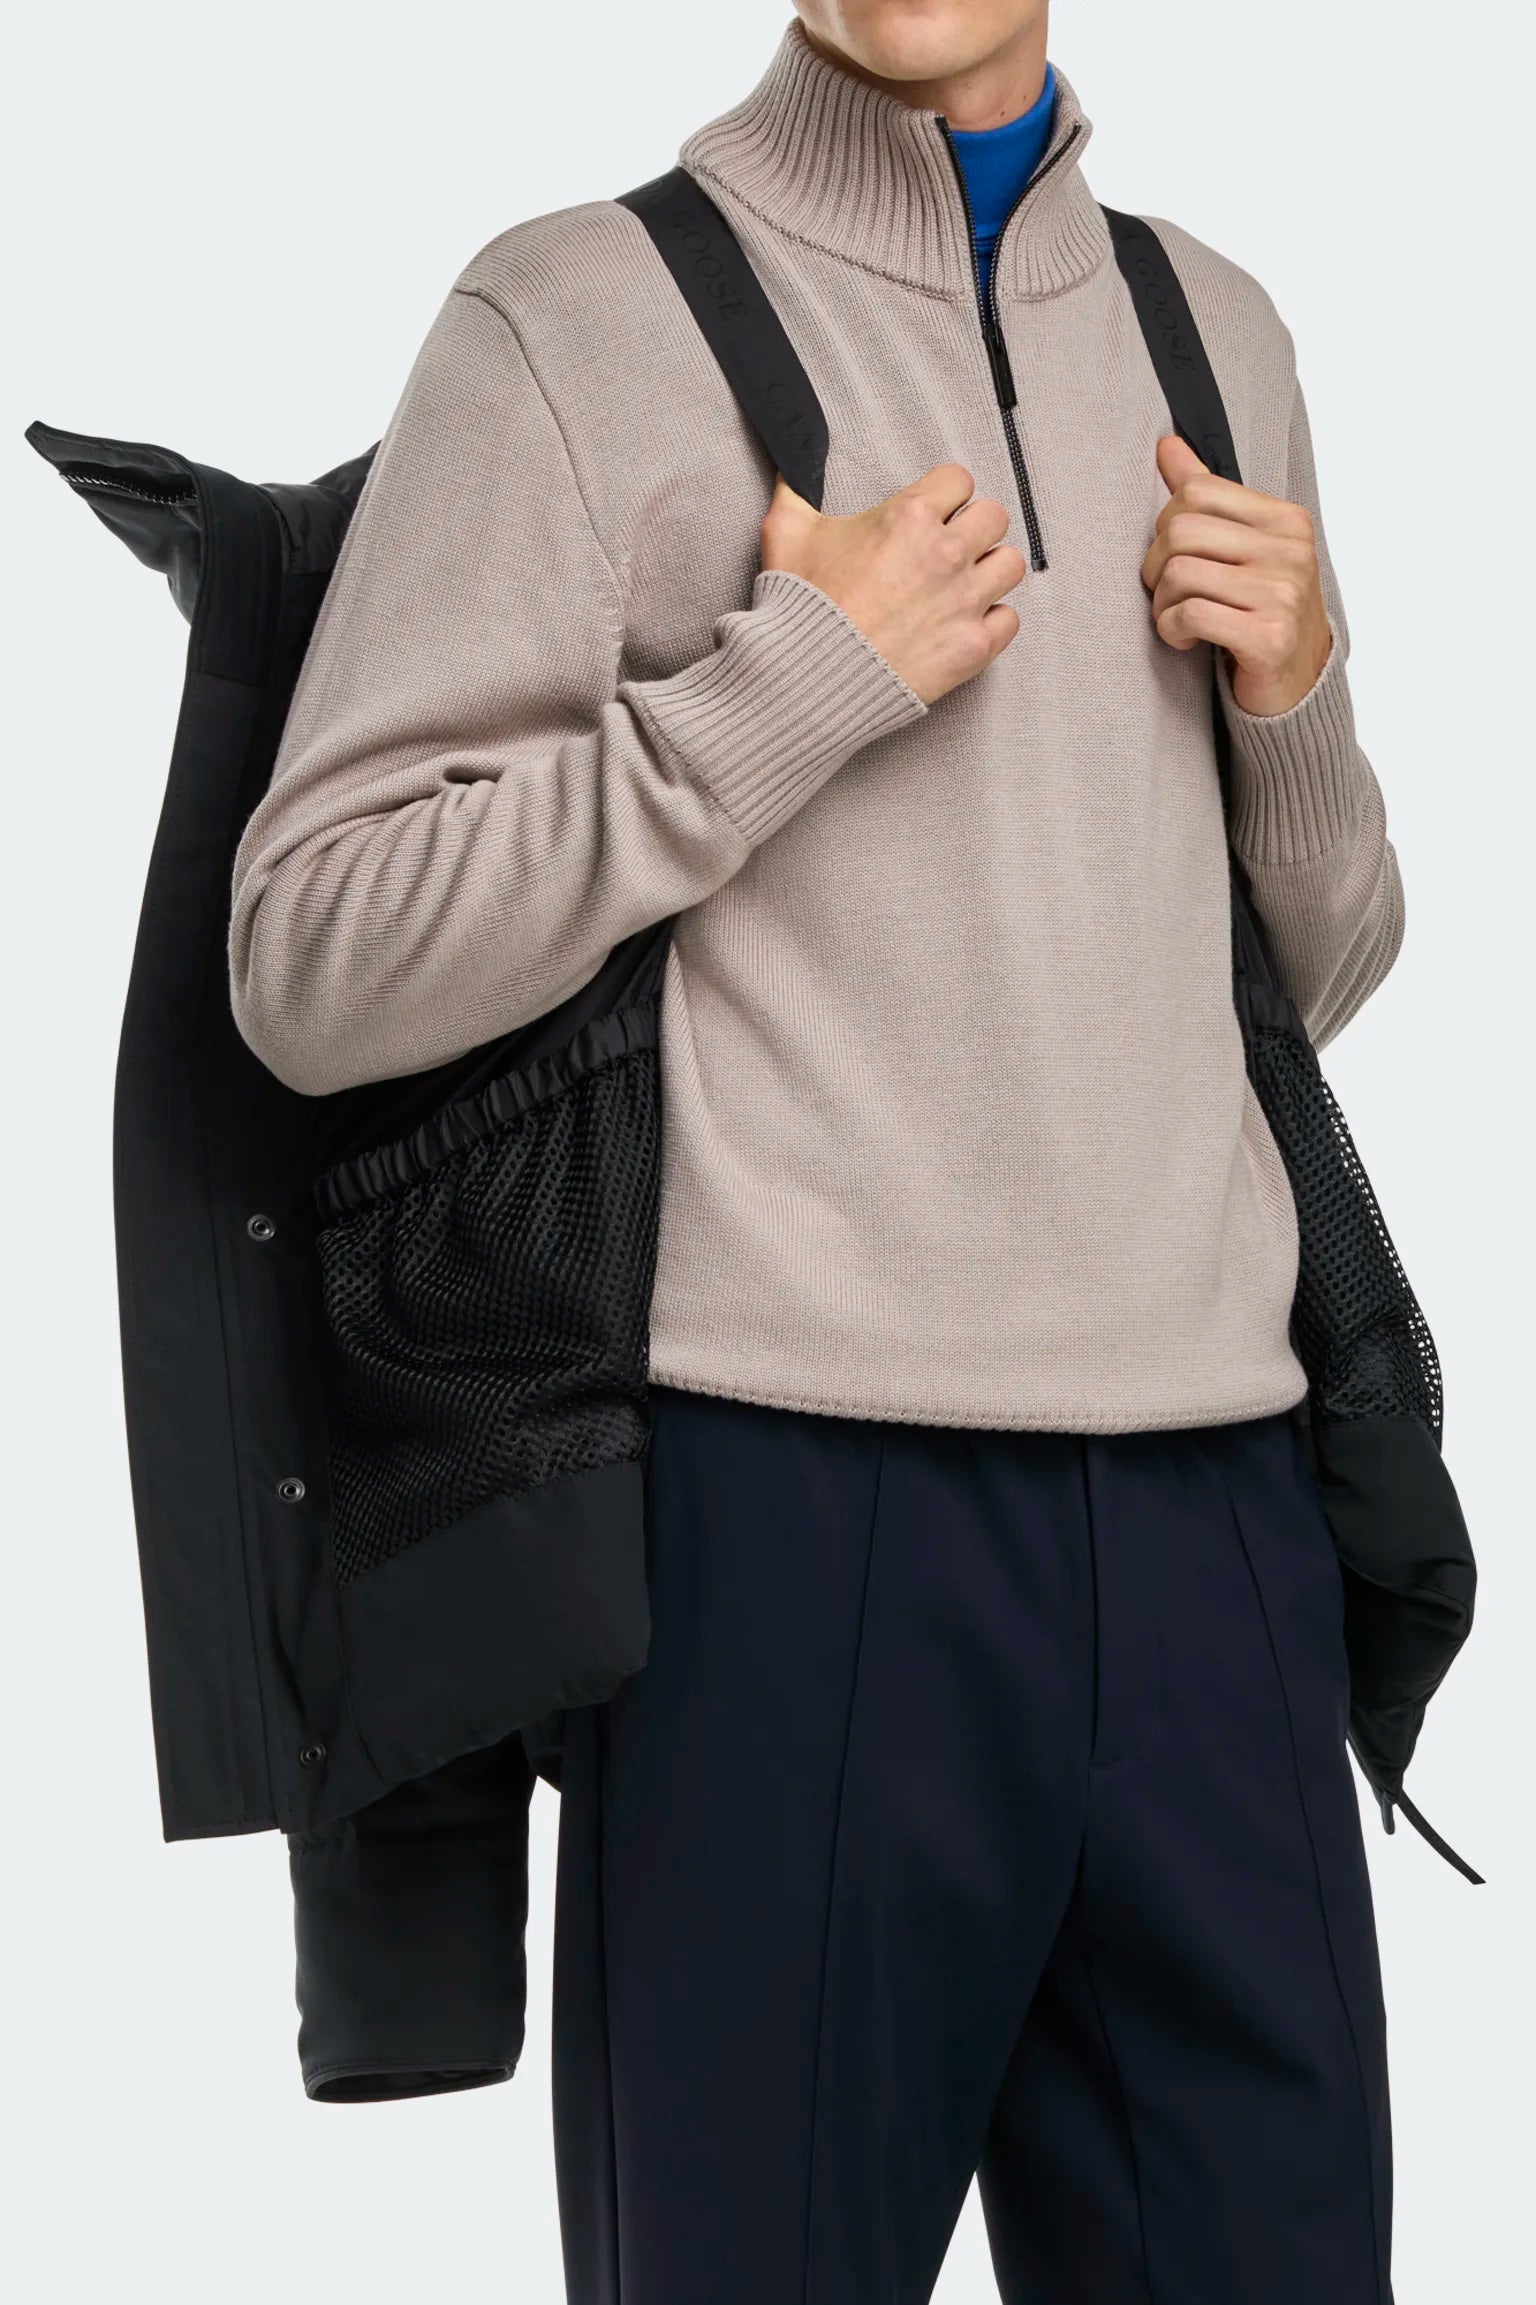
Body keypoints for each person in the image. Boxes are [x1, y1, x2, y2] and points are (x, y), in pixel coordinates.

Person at [228, 5, 1403, 2299]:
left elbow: (1305, 980)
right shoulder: (574, 319)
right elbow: (315, 955)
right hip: (791, 1539)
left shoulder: (1217, 331)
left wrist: (1298, 705)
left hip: (1220, 1538)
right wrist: (791, 685)